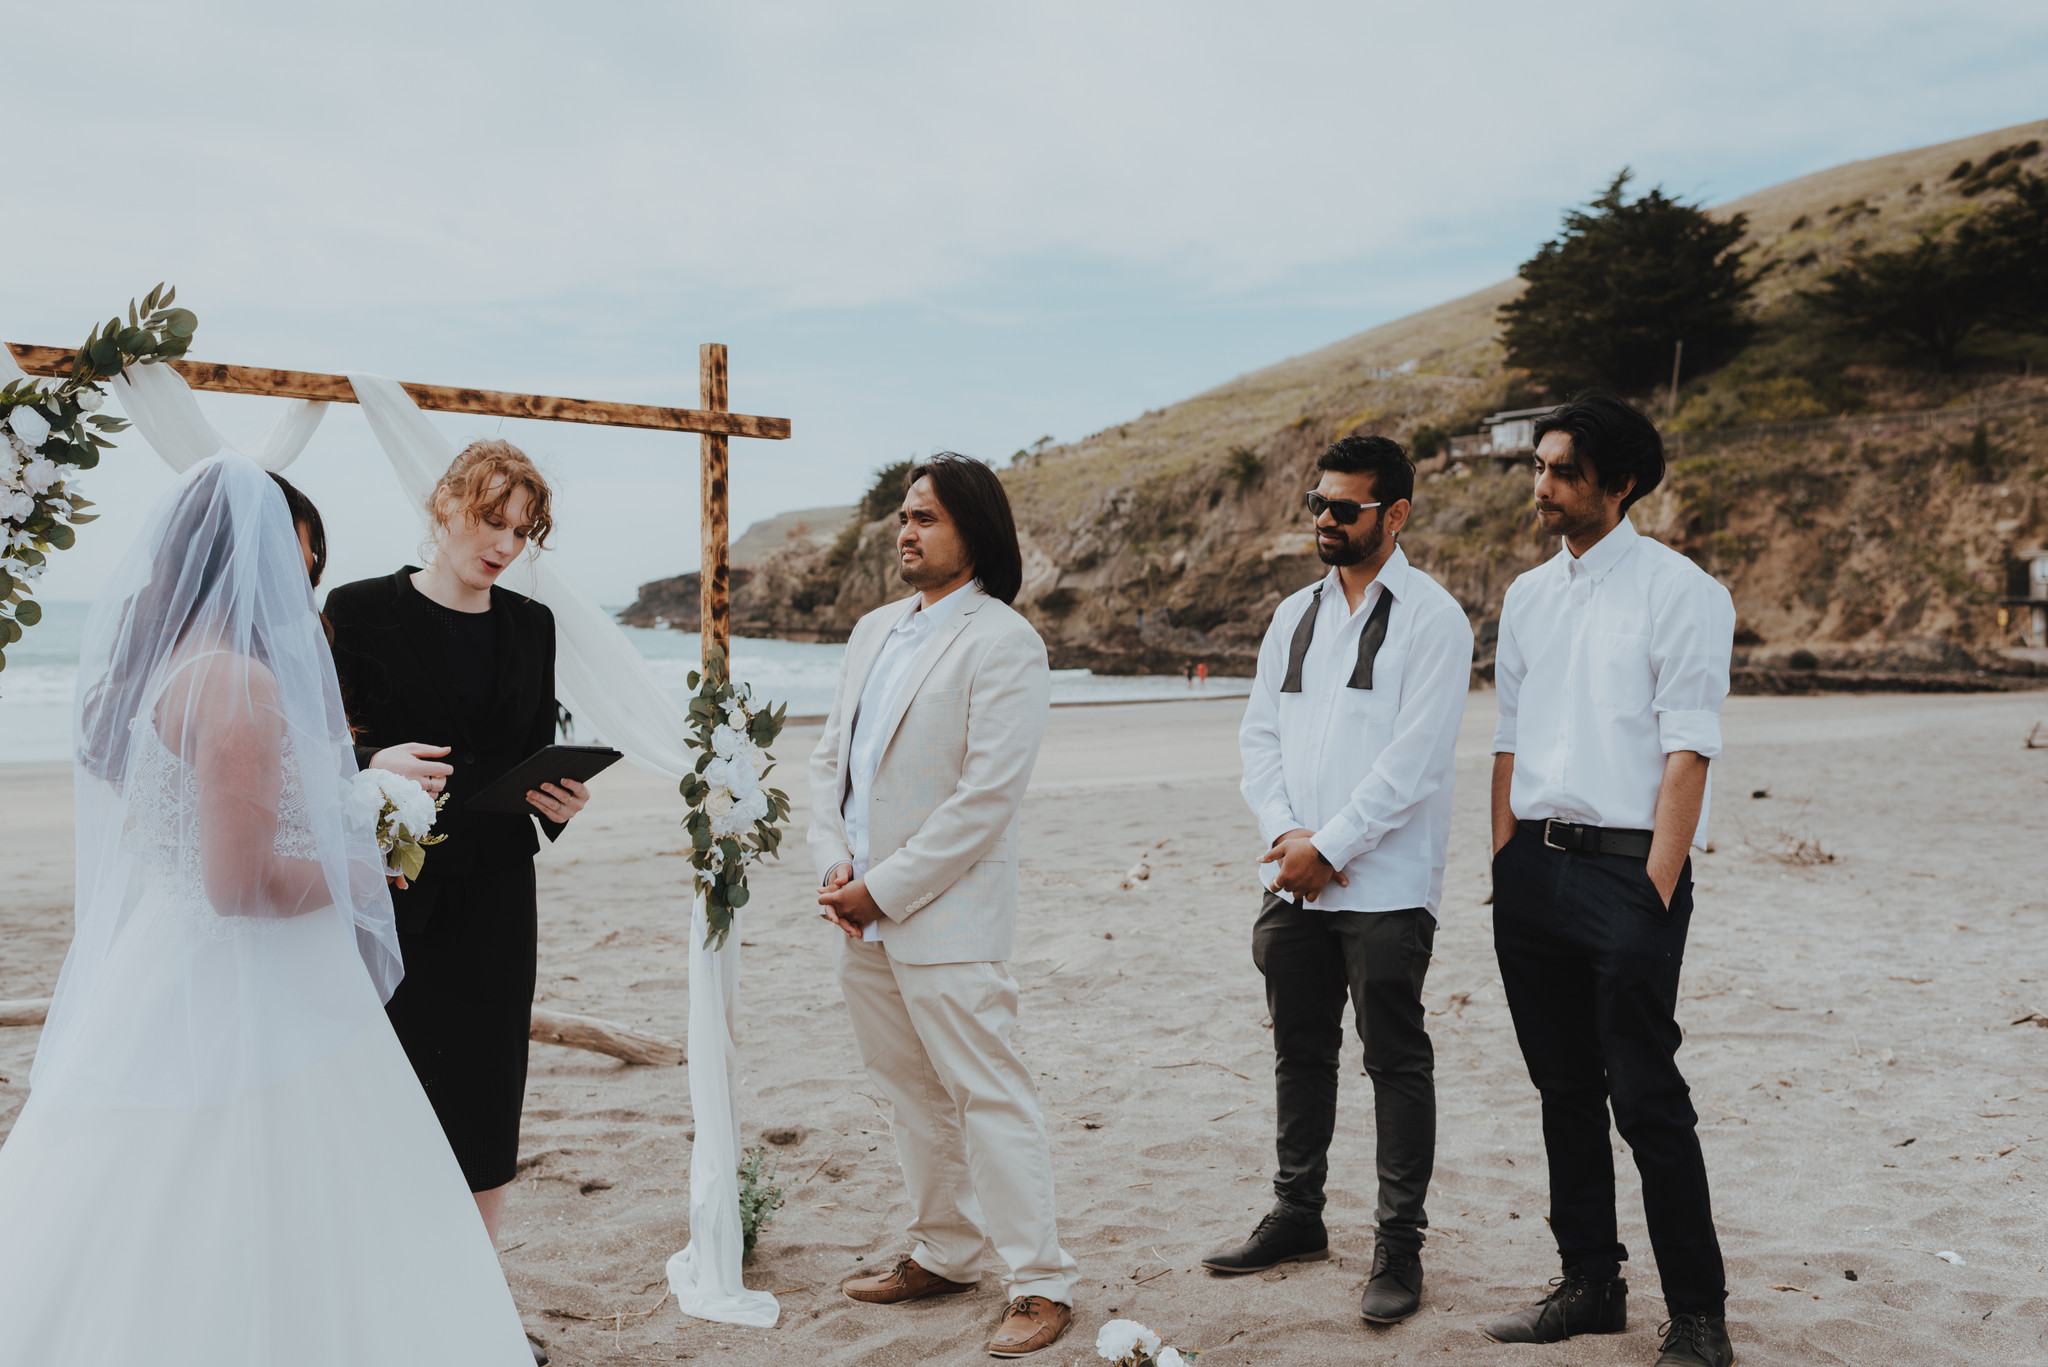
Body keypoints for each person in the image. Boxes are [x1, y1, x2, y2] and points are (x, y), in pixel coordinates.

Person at [0, 455, 534, 1363]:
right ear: (237, 562)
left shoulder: (164, 665)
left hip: (166, 967)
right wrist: (365, 865)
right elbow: (240, 883)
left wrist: (354, 797)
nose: (303, 588)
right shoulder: (240, 687)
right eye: (293, 564)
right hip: (254, 981)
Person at [1482, 394, 1736, 1367]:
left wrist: (1652, 888)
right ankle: (1589, 1282)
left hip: (1630, 874)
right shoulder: (1527, 595)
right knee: (1560, 1089)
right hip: (1531, 874)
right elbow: (1506, 739)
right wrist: (1503, 864)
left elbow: (1687, 754)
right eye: (1536, 467)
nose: (1539, 485)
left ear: (1617, 483)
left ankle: (1698, 1313)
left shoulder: (1682, 592)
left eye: (1559, 470)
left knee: (1645, 1097)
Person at [810, 453, 1078, 1359]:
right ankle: (945, 1249)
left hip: (948, 916)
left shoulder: (1005, 642)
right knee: (905, 1092)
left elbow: (984, 800)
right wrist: (834, 864)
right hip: (860, 911)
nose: (905, 529)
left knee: (988, 1093)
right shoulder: (873, 630)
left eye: (924, 516)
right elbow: (830, 766)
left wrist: (880, 886)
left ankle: (1040, 1279)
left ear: (974, 530)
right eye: (901, 514)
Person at [1211, 434, 1474, 1327]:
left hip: (1387, 886)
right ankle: (1297, 1216)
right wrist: (1288, 837)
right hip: (1292, 878)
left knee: (1396, 1061)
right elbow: (1260, 736)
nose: (1325, 519)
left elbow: (1415, 762)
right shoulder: (1294, 614)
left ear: (1394, 514)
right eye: (1317, 504)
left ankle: (1398, 1247)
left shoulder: (1435, 619)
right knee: (1299, 1049)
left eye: (1344, 507)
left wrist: (1333, 845)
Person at [325, 440, 590, 1264]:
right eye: (491, 519)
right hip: (391, 895)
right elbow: (301, 750)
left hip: (500, 897)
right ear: (444, 503)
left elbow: (528, 752)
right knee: (384, 1093)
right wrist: (370, 765)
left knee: (486, 1094)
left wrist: (561, 800)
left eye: (522, 530)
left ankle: (473, 1298)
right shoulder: (359, 608)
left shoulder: (532, 625)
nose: (506, 545)